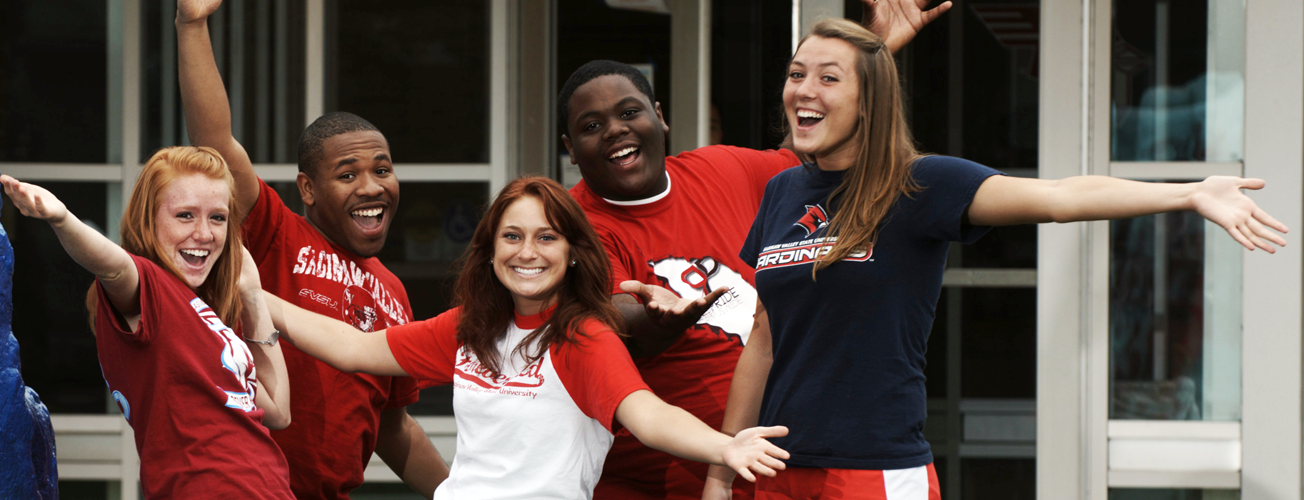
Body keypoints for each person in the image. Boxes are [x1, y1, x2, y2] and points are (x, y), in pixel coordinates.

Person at [716, 19, 1287, 500]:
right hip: (776, 468)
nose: (802, 90)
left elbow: (1061, 198)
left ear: (869, 102)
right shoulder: (783, 193)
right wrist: (721, 468)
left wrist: (1187, 192)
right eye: (796, 75)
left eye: (827, 78)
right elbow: (763, 337)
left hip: (873, 471)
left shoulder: (920, 185)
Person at [556, 2, 952, 498]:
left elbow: (813, 149)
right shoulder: (570, 225)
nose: (615, 129)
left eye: (629, 112)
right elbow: (609, 324)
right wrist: (655, 319)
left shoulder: (722, 168)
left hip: (771, 467)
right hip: (658, 479)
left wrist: (870, 53)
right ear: (570, 149)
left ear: (660, 118)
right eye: (591, 127)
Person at [254, 177, 792, 500]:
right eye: (511, 236)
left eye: (546, 237)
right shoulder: (472, 326)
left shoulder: (583, 336)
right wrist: (257, 297)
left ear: (573, 251)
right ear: (490, 250)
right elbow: (353, 347)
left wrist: (726, 445)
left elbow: (647, 414)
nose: (526, 252)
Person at [173, 0, 450, 498]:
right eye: (347, 175)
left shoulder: (394, 293)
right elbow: (215, 142)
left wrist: (459, 492)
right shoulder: (275, 233)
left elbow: (394, 426)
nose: (371, 187)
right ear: (307, 188)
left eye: (382, 170)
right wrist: (192, 24)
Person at [0, 146, 295, 499]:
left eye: (218, 218)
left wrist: (252, 295)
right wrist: (61, 218)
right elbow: (113, 265)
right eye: (185, 215)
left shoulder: (199, 313)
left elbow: (278, 411)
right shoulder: (150, 287)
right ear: (148, 219)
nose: (204, 233)